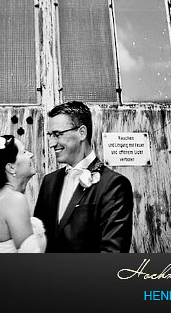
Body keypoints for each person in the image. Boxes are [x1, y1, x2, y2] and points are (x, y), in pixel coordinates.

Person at [33, 101, 134, 252]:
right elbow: (39, 239)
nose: (52, 143)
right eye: (50, 135)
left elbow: (113, 251)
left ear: (82, 133)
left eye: (57, 134)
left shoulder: (114, 184)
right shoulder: (49, 181)